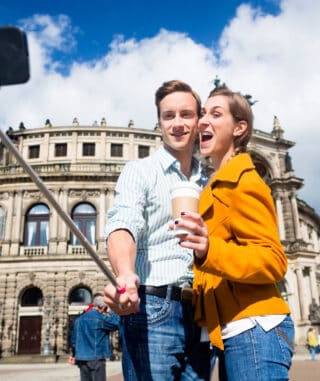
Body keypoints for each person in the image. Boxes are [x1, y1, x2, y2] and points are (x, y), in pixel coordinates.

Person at [175, 85, 294, 380]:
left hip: (254, 327)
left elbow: (273, 260)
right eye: (203, 114)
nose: (202, 121)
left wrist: (208, 249)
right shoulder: (215, 185)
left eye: (216, 114)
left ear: (240, 128)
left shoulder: (244, 181)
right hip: (234, 329)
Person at [103, 80, 212, 380]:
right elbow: (123, 222)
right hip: (153, 308)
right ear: (159, 123)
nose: (177, 123)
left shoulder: (211, 181)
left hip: (203, 313)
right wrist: (125, 272)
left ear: (198, 119)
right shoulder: (139, 171)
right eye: (168, 116)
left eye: (185, 115)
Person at [69, 294, 120, 381]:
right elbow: (118, 323)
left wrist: (74, 355)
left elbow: (74, 341)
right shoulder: (101, 319)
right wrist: (110, 311)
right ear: (103, 307)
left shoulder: (78, 320)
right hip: (97, 358)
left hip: (82, 358)